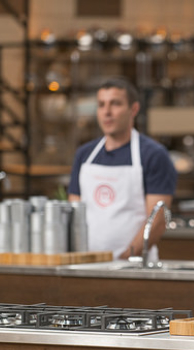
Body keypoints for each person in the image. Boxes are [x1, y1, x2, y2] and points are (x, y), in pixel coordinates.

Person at [68, 77, 177, 260]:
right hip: (86, 264)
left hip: (133, 267)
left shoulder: (153, 155)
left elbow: (158, 220)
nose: (107, 112)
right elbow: (74, 211)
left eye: (115, 104)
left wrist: (126, 259)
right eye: (101, 105)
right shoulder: (84, 155)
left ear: (133, 109)